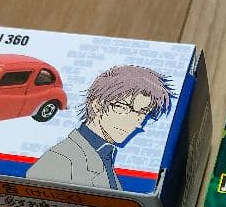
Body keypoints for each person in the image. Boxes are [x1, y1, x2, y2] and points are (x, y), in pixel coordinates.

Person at [26, 65, 174, 189]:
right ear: (97, 105)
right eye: (123, 107)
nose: (135, 122)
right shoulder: (61, 161)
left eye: (143, 113)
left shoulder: (105, 154)